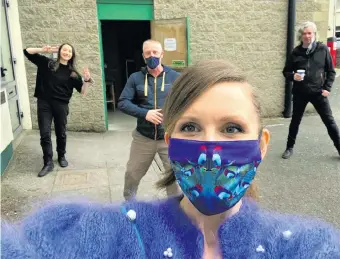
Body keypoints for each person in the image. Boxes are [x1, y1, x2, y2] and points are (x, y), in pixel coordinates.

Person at [2, 60, 339, 259]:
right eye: (190, 127)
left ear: (261, 145)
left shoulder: (303, 246)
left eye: (232, 128)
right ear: (171, 140)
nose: (210, 148)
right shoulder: (111, 233)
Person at [118, 39, 180, 200]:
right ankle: (129, 204)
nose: (151, 55)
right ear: (143, 56)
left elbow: (186, 102)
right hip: (143, 137)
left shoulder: (175, 77)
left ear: (162, 54)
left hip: (169, 139)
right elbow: (123, 102)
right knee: (132, 174)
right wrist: (145, 113)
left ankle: (173, 208)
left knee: (174, 177)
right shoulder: (135, 78)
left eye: (155, 52)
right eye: (148, 53)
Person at [24, 44, 93, 177]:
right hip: (44, 103)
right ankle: (48, 163)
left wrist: (87, 80)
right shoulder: (48, 63)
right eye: (64, 49)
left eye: (69, 51)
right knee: (44, 134)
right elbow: (27, 52)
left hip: (61, 105)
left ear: (72, 55)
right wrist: (43, 50)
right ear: (60, 50)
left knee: (61, 133)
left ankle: (61, 156)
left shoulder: (73, 73)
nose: (67, 52)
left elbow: (83, 92)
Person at [282, 21, 339, 159]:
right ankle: (289, 148)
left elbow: (331, 71)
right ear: (301, 36)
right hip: (300, 93)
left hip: (318, 92)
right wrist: (293, 76)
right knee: (295, 121)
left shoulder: (323, 49)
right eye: (304, 33)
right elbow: (286, 71)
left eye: (310, 33)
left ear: (314, 34)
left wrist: (327, 88)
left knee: (329, 121)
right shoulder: (296, 52)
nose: (307, 36)